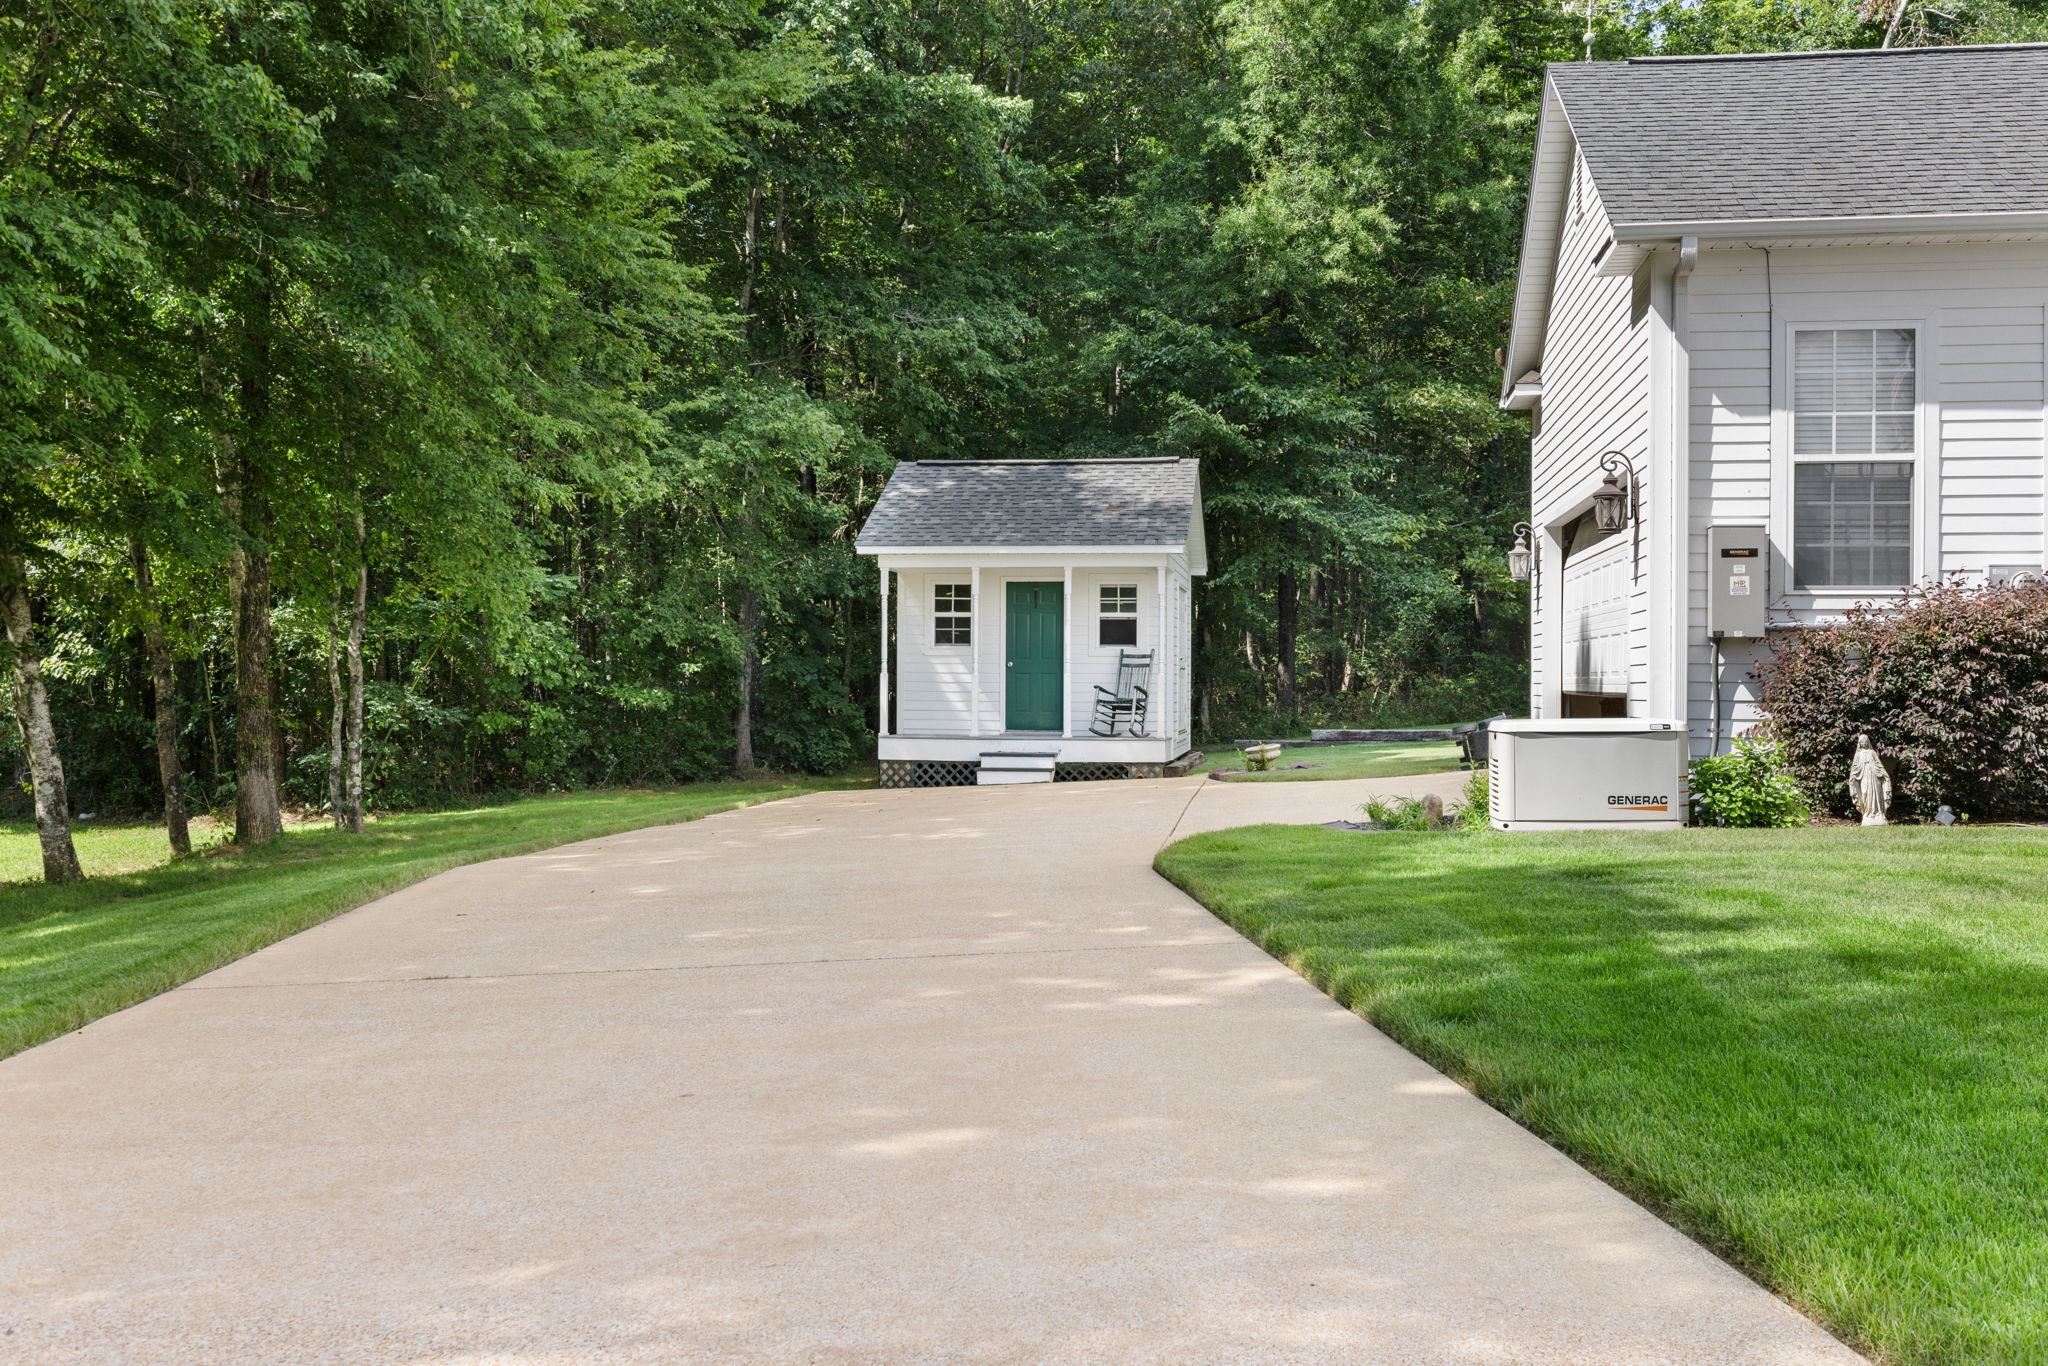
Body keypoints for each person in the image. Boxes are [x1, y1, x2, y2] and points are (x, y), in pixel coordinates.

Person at [1849, 733, 1891, 826]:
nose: (1864, 744)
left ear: (1868, 742)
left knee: (1877, 795)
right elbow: (1855, 767)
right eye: (1862, 742)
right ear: (1859, 744)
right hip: (1864, 777)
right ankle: (1867, 815)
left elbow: (1879, 765)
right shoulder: (1858, 754)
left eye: (1865, 742)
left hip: (1875, 776)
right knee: (1865, 794)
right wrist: (1853, 775)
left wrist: (1884, 774)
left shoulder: (1872, 753)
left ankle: (1879, 814)